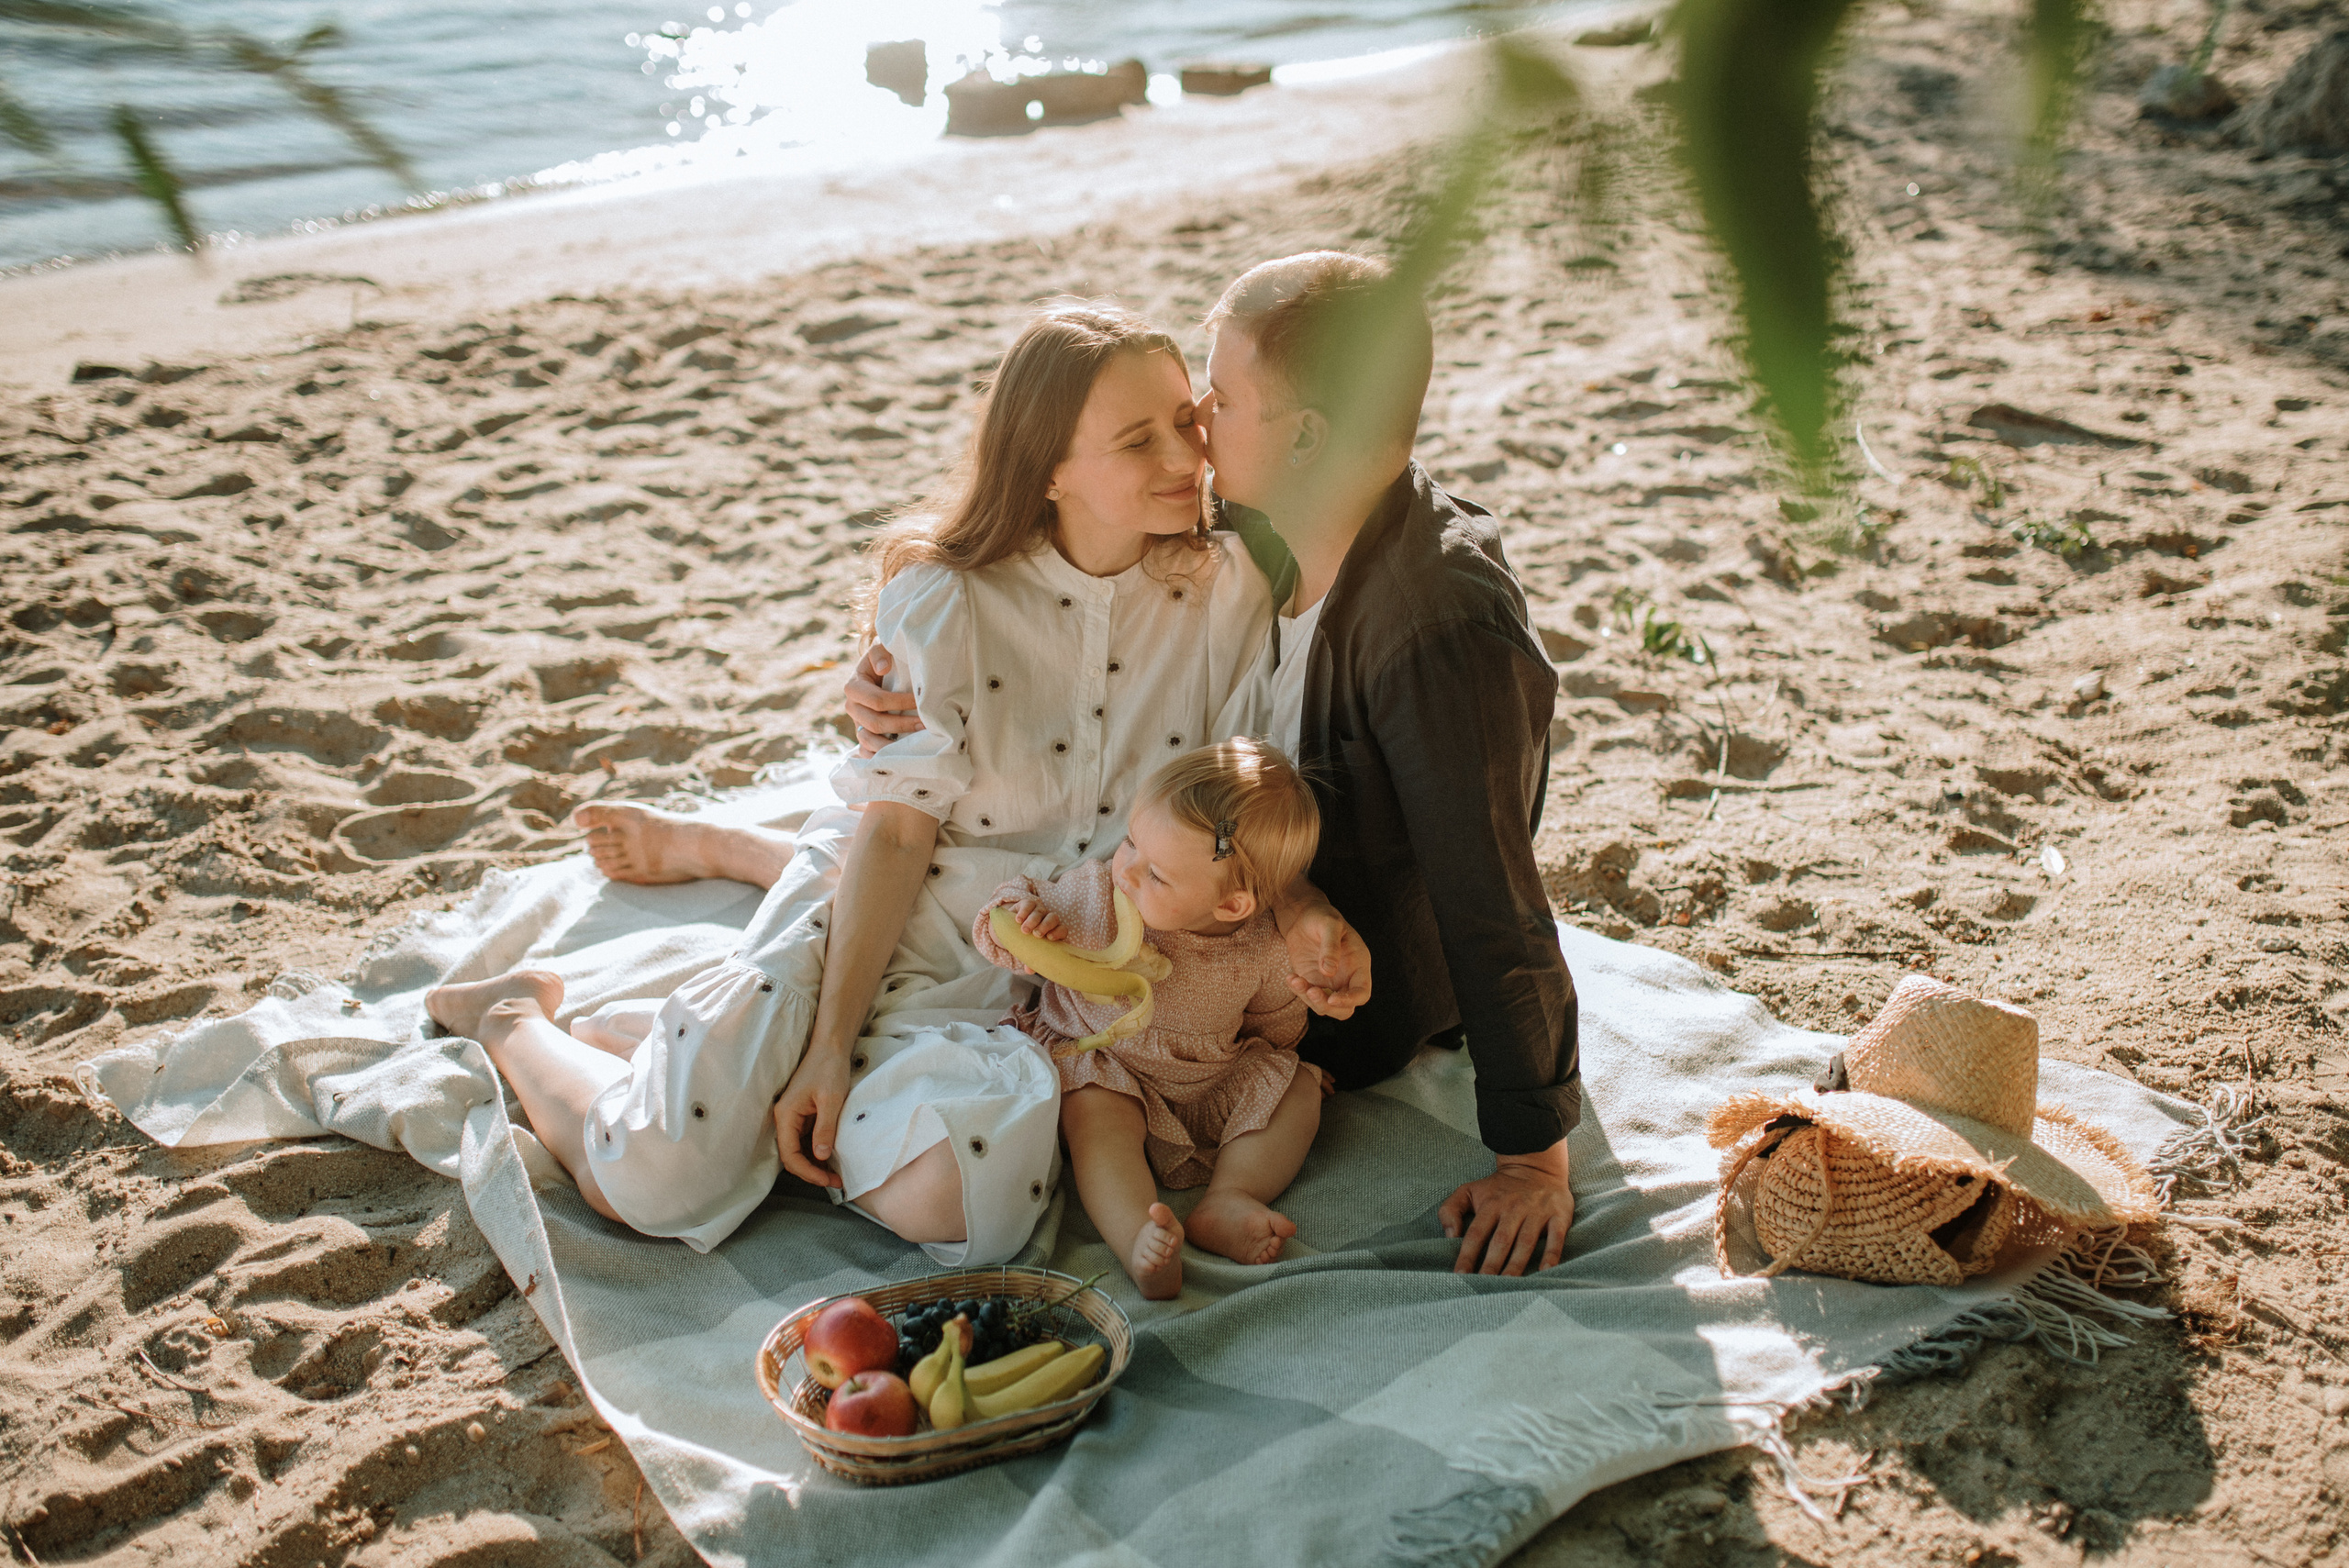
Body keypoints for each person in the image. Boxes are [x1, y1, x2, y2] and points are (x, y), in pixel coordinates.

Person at [429, 299, 1366, 1263]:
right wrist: (830, 1044)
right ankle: (513, 1018)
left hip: (1077, 947)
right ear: (1046, 469)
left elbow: (1233, 802)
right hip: (901, 912)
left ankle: (706, 999)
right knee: (659, 1176)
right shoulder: (946, 597)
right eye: (1138, 440)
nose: (1186, 457)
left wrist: (1300, 910)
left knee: (974, 1202)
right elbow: (898, 833)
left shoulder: (1230, 588)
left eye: (1186, 421)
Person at [851, 252, 1581, 1277]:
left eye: (1224, 396)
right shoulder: (1274, 522)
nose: (1196, 414)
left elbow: (1491, 893)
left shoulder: (1434, 631)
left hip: (1303, 984)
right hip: (1199, 893)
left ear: (1308, 438)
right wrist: (891, 673)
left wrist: (1532, 1157)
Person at [977, 739, 1324, 1298]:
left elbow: (1276, 1024)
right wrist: (1024, 916)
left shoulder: (1264, 948)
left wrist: (1281, 1069)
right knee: (1096, 1123)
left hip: (1207, 1077)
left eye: (1156, 874)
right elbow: (1000, 930)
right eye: (1131, 842)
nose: (1128, 873)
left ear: (1232, 906)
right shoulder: (1094, 895)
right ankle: (1138, 1237)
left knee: (1299, 1087)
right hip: (1102, 1060)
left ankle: (1230, 1197)